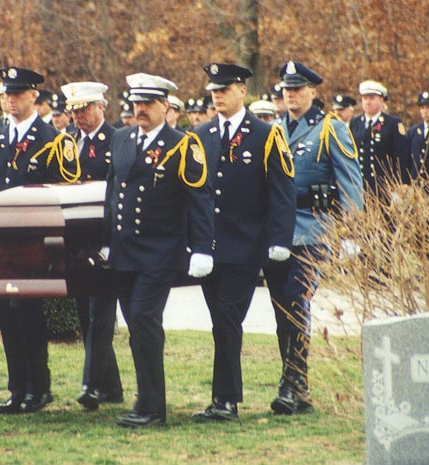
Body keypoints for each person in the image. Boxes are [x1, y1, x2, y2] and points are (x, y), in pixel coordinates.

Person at [102, 72, 214, 428]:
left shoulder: (182, 144)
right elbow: (112, 193)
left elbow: (199, 198)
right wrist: (106, 239)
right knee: (137, 326)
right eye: (136, 103)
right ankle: (146, 400)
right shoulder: (121, 139)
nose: (141, 109)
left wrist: (202, 248)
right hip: (124, 252)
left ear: (166, 106)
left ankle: (152, 407)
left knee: (146, 322)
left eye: (148, 103)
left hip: (159, 251)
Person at [192, 63, 295, 421]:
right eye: (213, 91)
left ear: (241, 91)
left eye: (224, 89)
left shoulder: (265, 134)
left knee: (227, 318)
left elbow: (282, 192)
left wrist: (279, 240)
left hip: (246, 246)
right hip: (209, 248)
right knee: (218, 321)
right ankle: (223, 398)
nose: (217, 96)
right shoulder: (201, 134)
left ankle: (226, 400)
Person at [0, 66, 80, 415]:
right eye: (7, 94)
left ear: (34, 97)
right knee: (7, 315)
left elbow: (63, 193)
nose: (11, 100)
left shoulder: (51, 139)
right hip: (0, 243)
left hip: (35, 241)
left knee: (30, 314)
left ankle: (38, 387)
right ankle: (16, 388)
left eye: (18, 94)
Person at [271, 60, 363, 415]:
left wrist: (352, 232)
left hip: (314, 230)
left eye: (297, 89)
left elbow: (351, 183)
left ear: (312, 91)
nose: (290, 95)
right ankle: (298, 386)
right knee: (281, 308)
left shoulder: (330, 128)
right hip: (279, 233)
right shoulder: (276, 129)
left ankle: (292, 385)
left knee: (297, 301)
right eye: (286, 89)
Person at [59, 80, 124, 411]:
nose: (79, 117)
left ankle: (91, 384)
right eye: (74, 111)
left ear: (101, 106)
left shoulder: (118, 140)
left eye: (84, 109)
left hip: (106, 239)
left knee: (101, 313)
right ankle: (112, 387)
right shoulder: (69, 142)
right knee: (86, 314)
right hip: (78, 241)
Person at [349, 80, 409, 197]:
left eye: (372, 98)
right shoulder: (355, 123)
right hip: (359, 185)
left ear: (381, 100)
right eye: (365, 98)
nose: (368, 102)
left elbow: (401, 156)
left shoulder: (392, 123)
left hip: (383, 186)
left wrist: (400, 183)